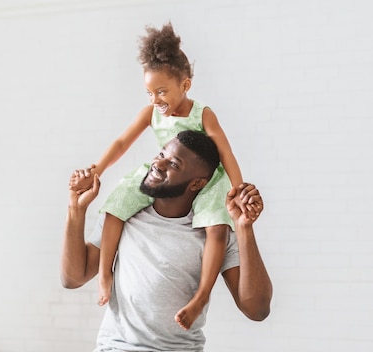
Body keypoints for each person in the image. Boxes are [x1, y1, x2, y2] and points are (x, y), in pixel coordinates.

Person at [69, 22, 245, 330]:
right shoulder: (151, 113)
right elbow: (122, 142)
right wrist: (96, 169)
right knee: (116, 205)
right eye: (149, 92)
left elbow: (225, 151)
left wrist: (237, 187)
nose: (155, 100)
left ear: (185, 85)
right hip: (161, 171)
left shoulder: (202, 114)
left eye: (162, 91)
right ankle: (106, 274)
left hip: (204, 182)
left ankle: (202, 295)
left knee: (217, 230)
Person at [62, 130, 272, 351]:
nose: (158, 164)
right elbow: (73, 278)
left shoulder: (215, 234)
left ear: (196, 183)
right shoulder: (124, 216)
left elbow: (257, 310)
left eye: (174, 164)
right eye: (161, 154)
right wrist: (76, 209)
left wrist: (244, 228)